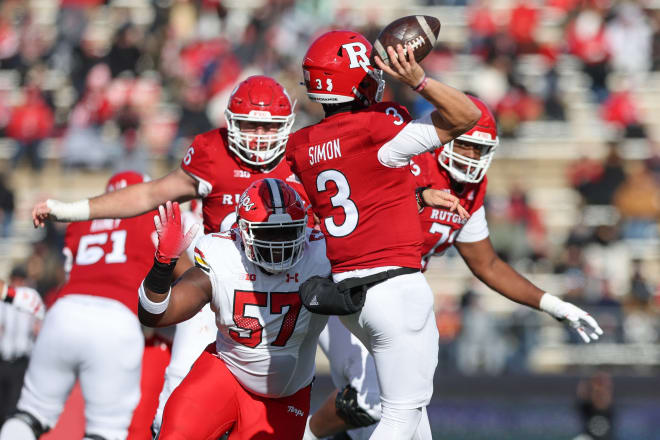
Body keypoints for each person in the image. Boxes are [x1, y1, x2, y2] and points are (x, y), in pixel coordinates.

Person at [31, 75, 401, 438]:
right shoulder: (214, 167)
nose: (258, 137)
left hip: (302, 287)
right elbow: (149, 196)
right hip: (228, 288)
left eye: (268, 128)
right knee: (172, 405)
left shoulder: (304, 157)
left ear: (287, 126)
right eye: (249, 126)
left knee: (369, 392)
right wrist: (73, 210)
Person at [285, 30, 481, 439]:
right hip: (394, 287)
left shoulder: (302, 145)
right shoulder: (380, 127)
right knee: (402, 413)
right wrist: (419, 81)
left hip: (350, 294)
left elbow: (360, 182)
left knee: (414, 417)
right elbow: (467, 116)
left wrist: (418, 193)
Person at [139, 179, 328, 439]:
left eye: (287, 231)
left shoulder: (320, 254)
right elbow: (155, 314)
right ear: (243, 232)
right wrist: (163, 265)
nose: (278, 244)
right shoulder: (223, 255)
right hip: (226, 371)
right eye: (268, 232)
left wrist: (338, 299)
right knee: (176, 434)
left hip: (285, 393)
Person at [412, 95, 604, 344]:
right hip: (363, 277)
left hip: (402, 287)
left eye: (479, 149)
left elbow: (488, 265)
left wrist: (555, 305)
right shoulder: (411, 162)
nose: (471, 156)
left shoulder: (470, 190)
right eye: (464, 144)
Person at [0, 171, 158, 440]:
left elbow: (68, 272)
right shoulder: (152, 217)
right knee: (105, 431)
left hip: (66, 311)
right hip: (117, 317)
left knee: (30, 415)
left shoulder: (84, 219)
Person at [0, 268, 45, 423]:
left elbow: (40, 325)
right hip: (3, 358)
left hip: (21, 360)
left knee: (16, 403)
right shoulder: (3, 303)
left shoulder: (31, 300)